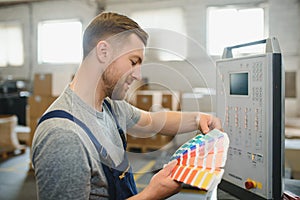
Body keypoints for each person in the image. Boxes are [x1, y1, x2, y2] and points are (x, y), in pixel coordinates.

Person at [31, 12, 223, 200]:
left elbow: (153, 121)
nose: (138, 75)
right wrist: (151, 194)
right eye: (133, 62)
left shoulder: (111, 107)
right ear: (103, 52)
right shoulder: (64, 135)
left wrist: (199, 119)